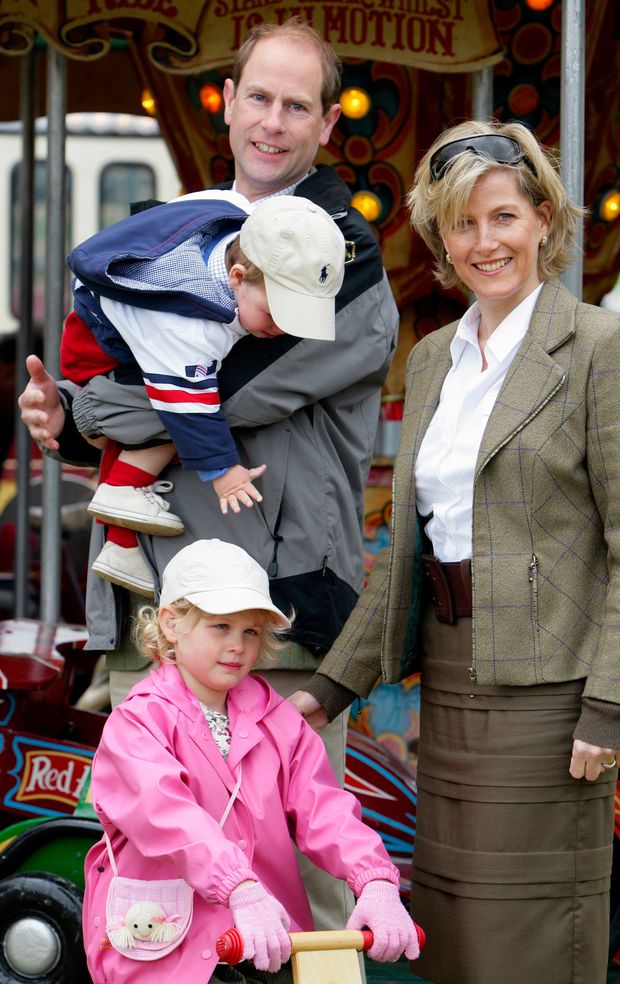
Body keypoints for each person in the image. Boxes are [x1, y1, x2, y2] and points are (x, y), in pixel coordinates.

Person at [19, 17, 398, 938]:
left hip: (274, 617)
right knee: (152, 890)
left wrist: (87, 408)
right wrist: (65, 422)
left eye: (296, 106)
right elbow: (143, 384)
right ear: (226, 104)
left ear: (327, 124)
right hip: (158, 610)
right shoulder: (190, 231)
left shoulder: (339, 258)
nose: (272, 121)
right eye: (258, 97)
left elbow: (216, 394)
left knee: (303, 888)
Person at [292, 119, 620, 984]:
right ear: (441, 238)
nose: (484, 242)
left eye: (503, 217)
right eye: (462, 224)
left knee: (528, 935)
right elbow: (408, 552)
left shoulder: (604, 347)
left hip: (553, 696)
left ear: (543, 218)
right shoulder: (434, 358)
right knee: (455, 932)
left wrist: (610, 705)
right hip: (452, 682)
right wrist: (328, 688)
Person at [82, 538, 419, 984]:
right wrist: (238, 886)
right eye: (220, 626)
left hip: (264, 942)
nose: (237, 646)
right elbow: (166, 815)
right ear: (171, 624)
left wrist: (374, 877)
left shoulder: (278, 719)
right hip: (169, 944)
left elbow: (324, 810)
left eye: (251, 631)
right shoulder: (138, 721)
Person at [61, 193, 345, 597]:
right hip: (97, 348)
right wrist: (224, 473)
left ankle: (120, 545)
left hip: (108, 311)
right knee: (190, 413)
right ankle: (123, 489)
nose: (283, 328)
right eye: (275, 313)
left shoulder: (235, 218)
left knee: (184, 412)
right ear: (237, 277)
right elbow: (189, 406)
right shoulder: (192, 328)